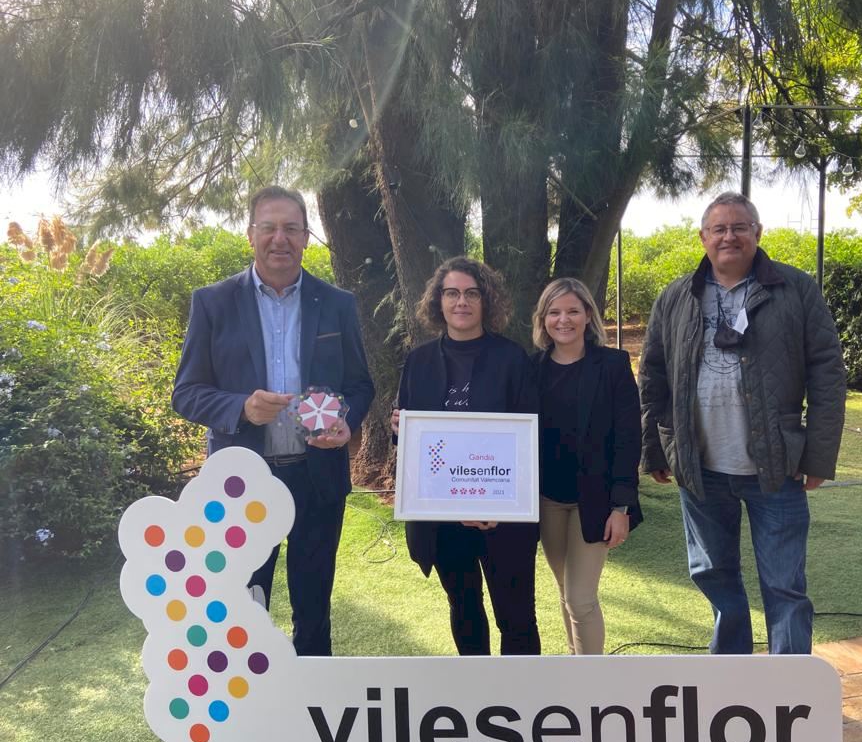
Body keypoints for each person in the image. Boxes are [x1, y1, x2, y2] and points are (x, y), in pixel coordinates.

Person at [638, 191, 845, 655]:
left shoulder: (795, 290)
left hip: (777, 467)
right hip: (700, 468)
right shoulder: (676, 297)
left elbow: (827, 373)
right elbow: (653, 376)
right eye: (719, 229)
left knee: (784, 584)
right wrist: (654, 449)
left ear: (757, 233)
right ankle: (731, 675)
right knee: (714, 576)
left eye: (739, 227)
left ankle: (787, 682)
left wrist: (818, 456)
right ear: (703, 237)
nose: (728, 236)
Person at [172, 185, 375, 656]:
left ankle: (313, 695)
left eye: (291, 228)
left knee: (314, 607)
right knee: (241, 607)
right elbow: (186, 393)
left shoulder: (337, 303)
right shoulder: (213, 303)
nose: (279, 238)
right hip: (242, 484)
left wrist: (346, 422)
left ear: (305, 237)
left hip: (317, 477)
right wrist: (240, 407)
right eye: (269, 227)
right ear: (251, 234)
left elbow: (360, 385)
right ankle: (244, 699)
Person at [391, 256, 540, 656]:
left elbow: (529, 440)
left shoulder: (512, 359)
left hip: (503, 517)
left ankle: (525, 693)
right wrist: (399, 429)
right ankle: (476, 692)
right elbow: (409, 440)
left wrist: (497, 506)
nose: (462, 301)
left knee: (516, 616)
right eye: (452, 293)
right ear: (438, 301)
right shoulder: (419, 361)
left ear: (486, 300)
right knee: (464, 607)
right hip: (442, 518)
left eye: (472, 293)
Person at [530, 278, 642, 655]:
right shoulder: (532, 369)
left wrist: (621, 507)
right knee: (566, 591)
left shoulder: (612, 365)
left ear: (588, 315)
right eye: (554, 312)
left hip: (595, 501)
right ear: (543, 319)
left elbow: (628, 439)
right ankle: (575, 667)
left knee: (580, 597)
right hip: (547, 499)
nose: (563, 320)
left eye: (573, 311)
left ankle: (592, 679)